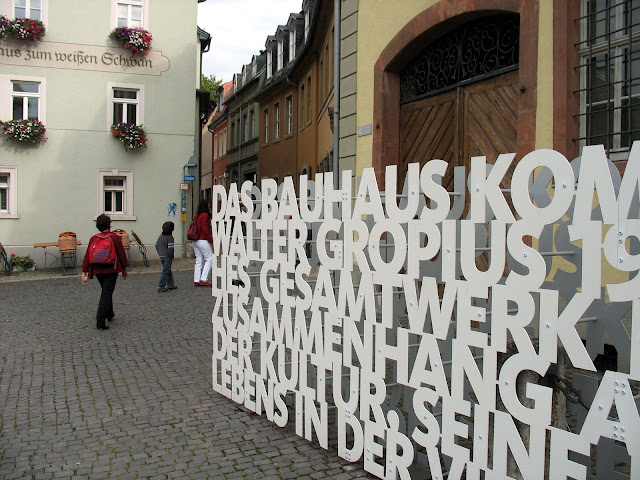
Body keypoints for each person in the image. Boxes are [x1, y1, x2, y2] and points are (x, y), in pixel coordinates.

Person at [81, 214, 128, 330]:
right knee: (106, 292)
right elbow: (121, 254)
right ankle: (100, 320)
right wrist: (124, 269)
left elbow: (87, 255)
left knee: (106, 290)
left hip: (97, 269)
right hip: (111, 269)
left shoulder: (94, 238)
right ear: (109, 225)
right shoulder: (114, 238)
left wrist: (84, 271)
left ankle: (109, 314)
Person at [192, 198, 213, 287]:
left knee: (199, 260)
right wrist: (211, 240)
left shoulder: (196, 215)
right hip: (202, 239)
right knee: (210, 258)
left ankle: (196, 279)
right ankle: (203, 278)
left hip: (195, 239)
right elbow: (205, 229)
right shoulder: (205, 215)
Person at [155, 221, 177, 292]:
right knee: (165, 271)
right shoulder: (170, 237)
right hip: (167, 256)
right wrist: (172, 256)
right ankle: (161, 286)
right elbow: (170, 249)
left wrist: (159, 252)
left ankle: (170, 284)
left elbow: (156, 244)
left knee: (168, 270)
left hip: (161, 255)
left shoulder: (160, 236)